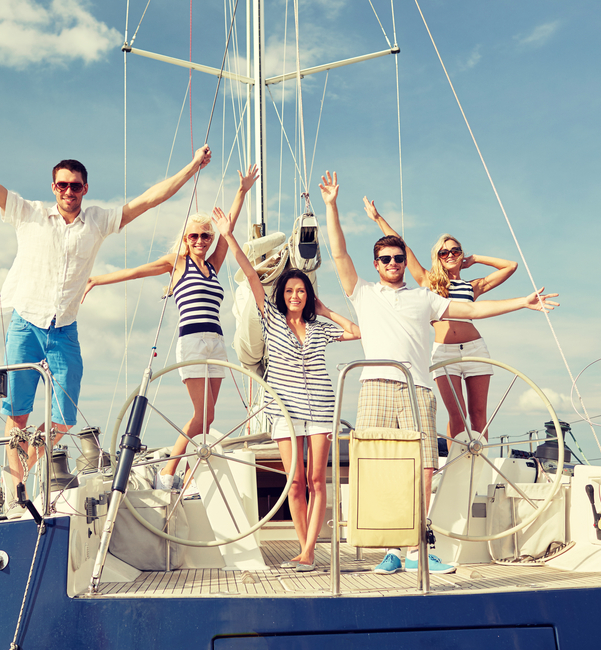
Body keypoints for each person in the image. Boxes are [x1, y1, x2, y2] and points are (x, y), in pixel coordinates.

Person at [0, 116, 211, 511]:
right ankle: (14, 495)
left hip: (64, 330)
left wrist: (191, 167)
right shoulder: (28, 213)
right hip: (25, 324)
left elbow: (149, 200)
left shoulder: (97, 221)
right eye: (62, 185)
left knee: (63, 418)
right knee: (18, 417)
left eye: (76, 185)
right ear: (54, 188)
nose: (69, 191)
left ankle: (19, 476)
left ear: (85, 189)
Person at [319, 171, 557, 575]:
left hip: (417, 389)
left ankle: (416, 547)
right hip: (375, 386)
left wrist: (522, 301)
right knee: (379, 466)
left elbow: (475, 310)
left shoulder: (426, 297)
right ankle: (391, 549)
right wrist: (331, 206)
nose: (394, 264)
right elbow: (339, 254)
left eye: (398, 258)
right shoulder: (361, 292)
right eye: (386, 260)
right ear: (375, 265)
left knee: (425, 468)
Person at [83, 165, 259, 491]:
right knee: (200, 414)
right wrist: (96, 279)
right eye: (194, 235)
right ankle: (167, 472)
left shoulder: (213, 265)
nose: (200, 241)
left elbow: (227, 227)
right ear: (186, 238)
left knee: (208, 418)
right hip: (192, 340)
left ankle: (180, 472)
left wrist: (242, 191)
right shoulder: (177, 263)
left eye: (206, 235)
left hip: (216, 342)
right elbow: (136, 271)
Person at [214, 206, 361, 572]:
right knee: (294, 482)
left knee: (316, 479)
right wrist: (229, 234)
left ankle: (309, 552)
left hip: (320, 410)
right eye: (291, 290)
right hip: (282, 410)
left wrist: (325, 310)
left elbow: (358, 331)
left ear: (308, 295)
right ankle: (303, 548)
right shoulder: (272, 319)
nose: (295, 295)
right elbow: (250, 275)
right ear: (283, 294)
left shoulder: (319, 326)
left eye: (302, 291)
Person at [363, 200, 517, 439]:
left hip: (475, 349)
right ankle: (456, 464)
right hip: (444, 352)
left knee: (479, 415)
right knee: (457, 414)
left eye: (455, 251)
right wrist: (378, 219)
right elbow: (403, 247)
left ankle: (479, 468)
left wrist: (475, 259)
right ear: (438, 256)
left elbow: (511, 266)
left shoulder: (472, 286)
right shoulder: (428, 281)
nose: (450, 255)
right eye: (444, 252)